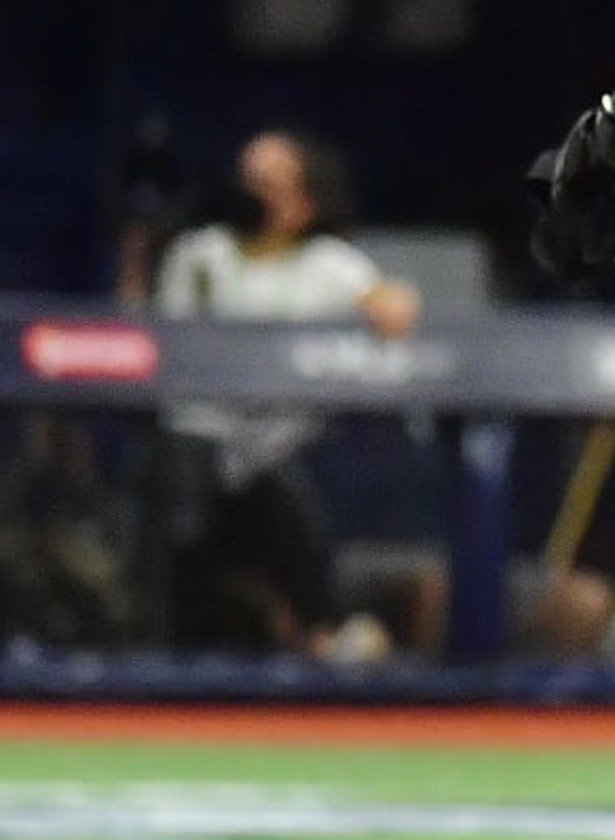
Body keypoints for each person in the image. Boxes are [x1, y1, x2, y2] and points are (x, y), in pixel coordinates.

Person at [144, 129, 418, 658]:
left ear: (305, 202)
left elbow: (395, 306)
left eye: (269, 184)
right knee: (182, 485)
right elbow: (162, 352)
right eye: (247, 179)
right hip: (197, 441)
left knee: (292, 499)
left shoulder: (329, 263)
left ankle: (320, 634)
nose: (251, 192)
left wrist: (391, 303)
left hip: (275, 450)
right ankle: (162, 653)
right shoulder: (202, 254)